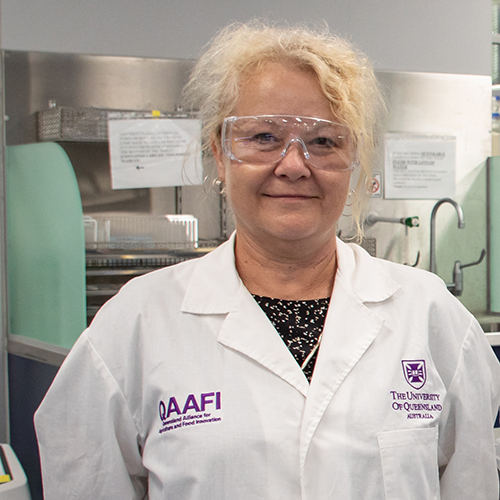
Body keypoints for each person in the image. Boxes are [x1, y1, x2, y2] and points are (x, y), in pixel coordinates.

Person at [35, 21, 500, 499]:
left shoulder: (431, 318)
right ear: (219, 153)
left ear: (355, 160)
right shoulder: (137, 323)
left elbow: (473, 486)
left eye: (324, 141)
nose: (294, 164)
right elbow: (85, 477)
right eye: (262, 137)